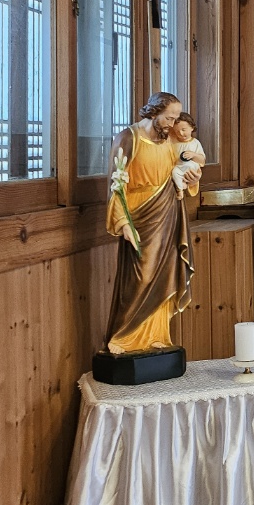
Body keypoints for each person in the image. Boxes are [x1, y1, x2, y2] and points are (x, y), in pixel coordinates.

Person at [102, 92, 196, 355]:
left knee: (164, 275)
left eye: (175, 119)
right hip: (139, 215)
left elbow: (177, 171)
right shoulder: (128, 138)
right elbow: (116, 184)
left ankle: (157, 335)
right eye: (169, 118)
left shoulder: (168, 139)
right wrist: (123, 222)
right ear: (153, 112)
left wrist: (191, 179)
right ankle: (123, 336)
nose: (172, 124)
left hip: (168, 213)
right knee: (140, 278)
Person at [169, 112, 206, 193]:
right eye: (177, 131)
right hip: (178, 168)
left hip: (189, 170)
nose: (181, 133)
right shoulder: (173, 143)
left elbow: (202, 160)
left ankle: (184, 183)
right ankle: (180, 186)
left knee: (189, 165)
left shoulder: (195, 143)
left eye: (183, 130)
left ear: (191, 127)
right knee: (175, 171)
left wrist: (194, 155)